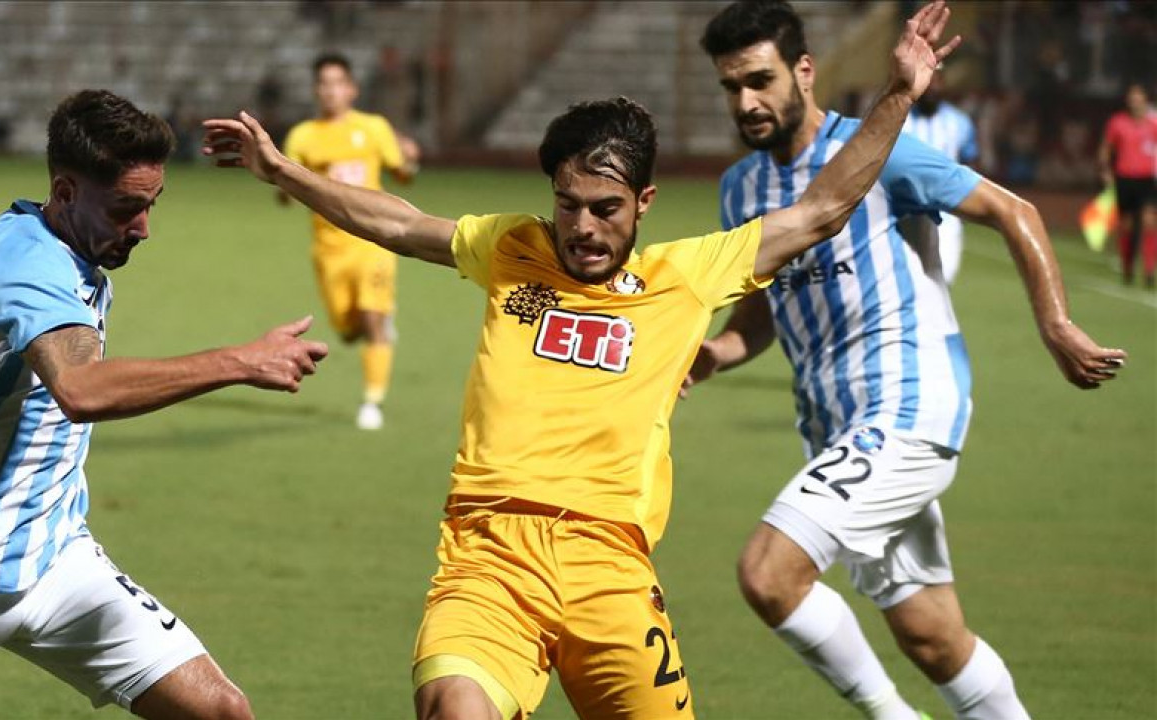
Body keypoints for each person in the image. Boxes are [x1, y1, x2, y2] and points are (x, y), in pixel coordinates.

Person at [204, 3, 959, 717]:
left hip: (612, 570)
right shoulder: (513, 247)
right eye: (568, 204)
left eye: (606, 208)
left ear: (644, 202)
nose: (583, 227)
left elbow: (822, 209)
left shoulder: (687, 276)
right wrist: (284, 172)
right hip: (488, 559)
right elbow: (400, 224)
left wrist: (898, 92)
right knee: (453, 706)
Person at [687, 2, 1127, 719]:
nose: (746, 102)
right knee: (931, 637)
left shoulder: (879, 149)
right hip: (835, 429)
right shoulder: (740, 189)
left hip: (908, 406)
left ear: (804, 71)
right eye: (731, 87)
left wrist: (1055, 323)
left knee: (769, 574)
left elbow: (1014, 210)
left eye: (760, 80)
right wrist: (718, 351)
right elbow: (764, 307)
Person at [0, 89, 329, 720]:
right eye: (125, 209)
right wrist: (242, 361)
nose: (143, 227)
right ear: (66, 192)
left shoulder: (17, 233)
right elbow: (82, 390)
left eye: (151, 204)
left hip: (57, 556)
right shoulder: (32, 267)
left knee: (221, 711)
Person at [279, 52, 421, 431]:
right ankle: (377, 326)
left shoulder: (373, 128)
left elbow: (403, 174)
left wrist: (410, 159)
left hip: (374, 240)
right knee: (347, 330)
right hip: (329, 250)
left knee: (373, 320)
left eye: (338, 83)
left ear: (352, 89)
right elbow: (285, 189)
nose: (331, 91)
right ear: (316, 90)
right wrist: (278, 182)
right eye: (323, 84)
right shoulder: (303, 136)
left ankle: (372, 402)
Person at [902, 70, 977, 284]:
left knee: (942, 278)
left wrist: (967, 202)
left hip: (946, 214)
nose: (932, 87)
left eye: (937, 81)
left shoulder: (959, 122)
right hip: (905, 213)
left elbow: (969, 163)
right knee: (907, 279)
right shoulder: (901, 119)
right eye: (928, 82)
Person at [1098, 82, 1157, 288]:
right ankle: (1127, 266)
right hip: (1125, 179)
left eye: (1138, 95)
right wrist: (1105, 170)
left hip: (1147, 180)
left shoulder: (1153, 123)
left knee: (1150, 221)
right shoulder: (1118, 122)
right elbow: (1106, 148)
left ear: (1145, 98)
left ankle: (1149, 271)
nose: (1135, 99)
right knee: (1127, 225)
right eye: (1132, 95)